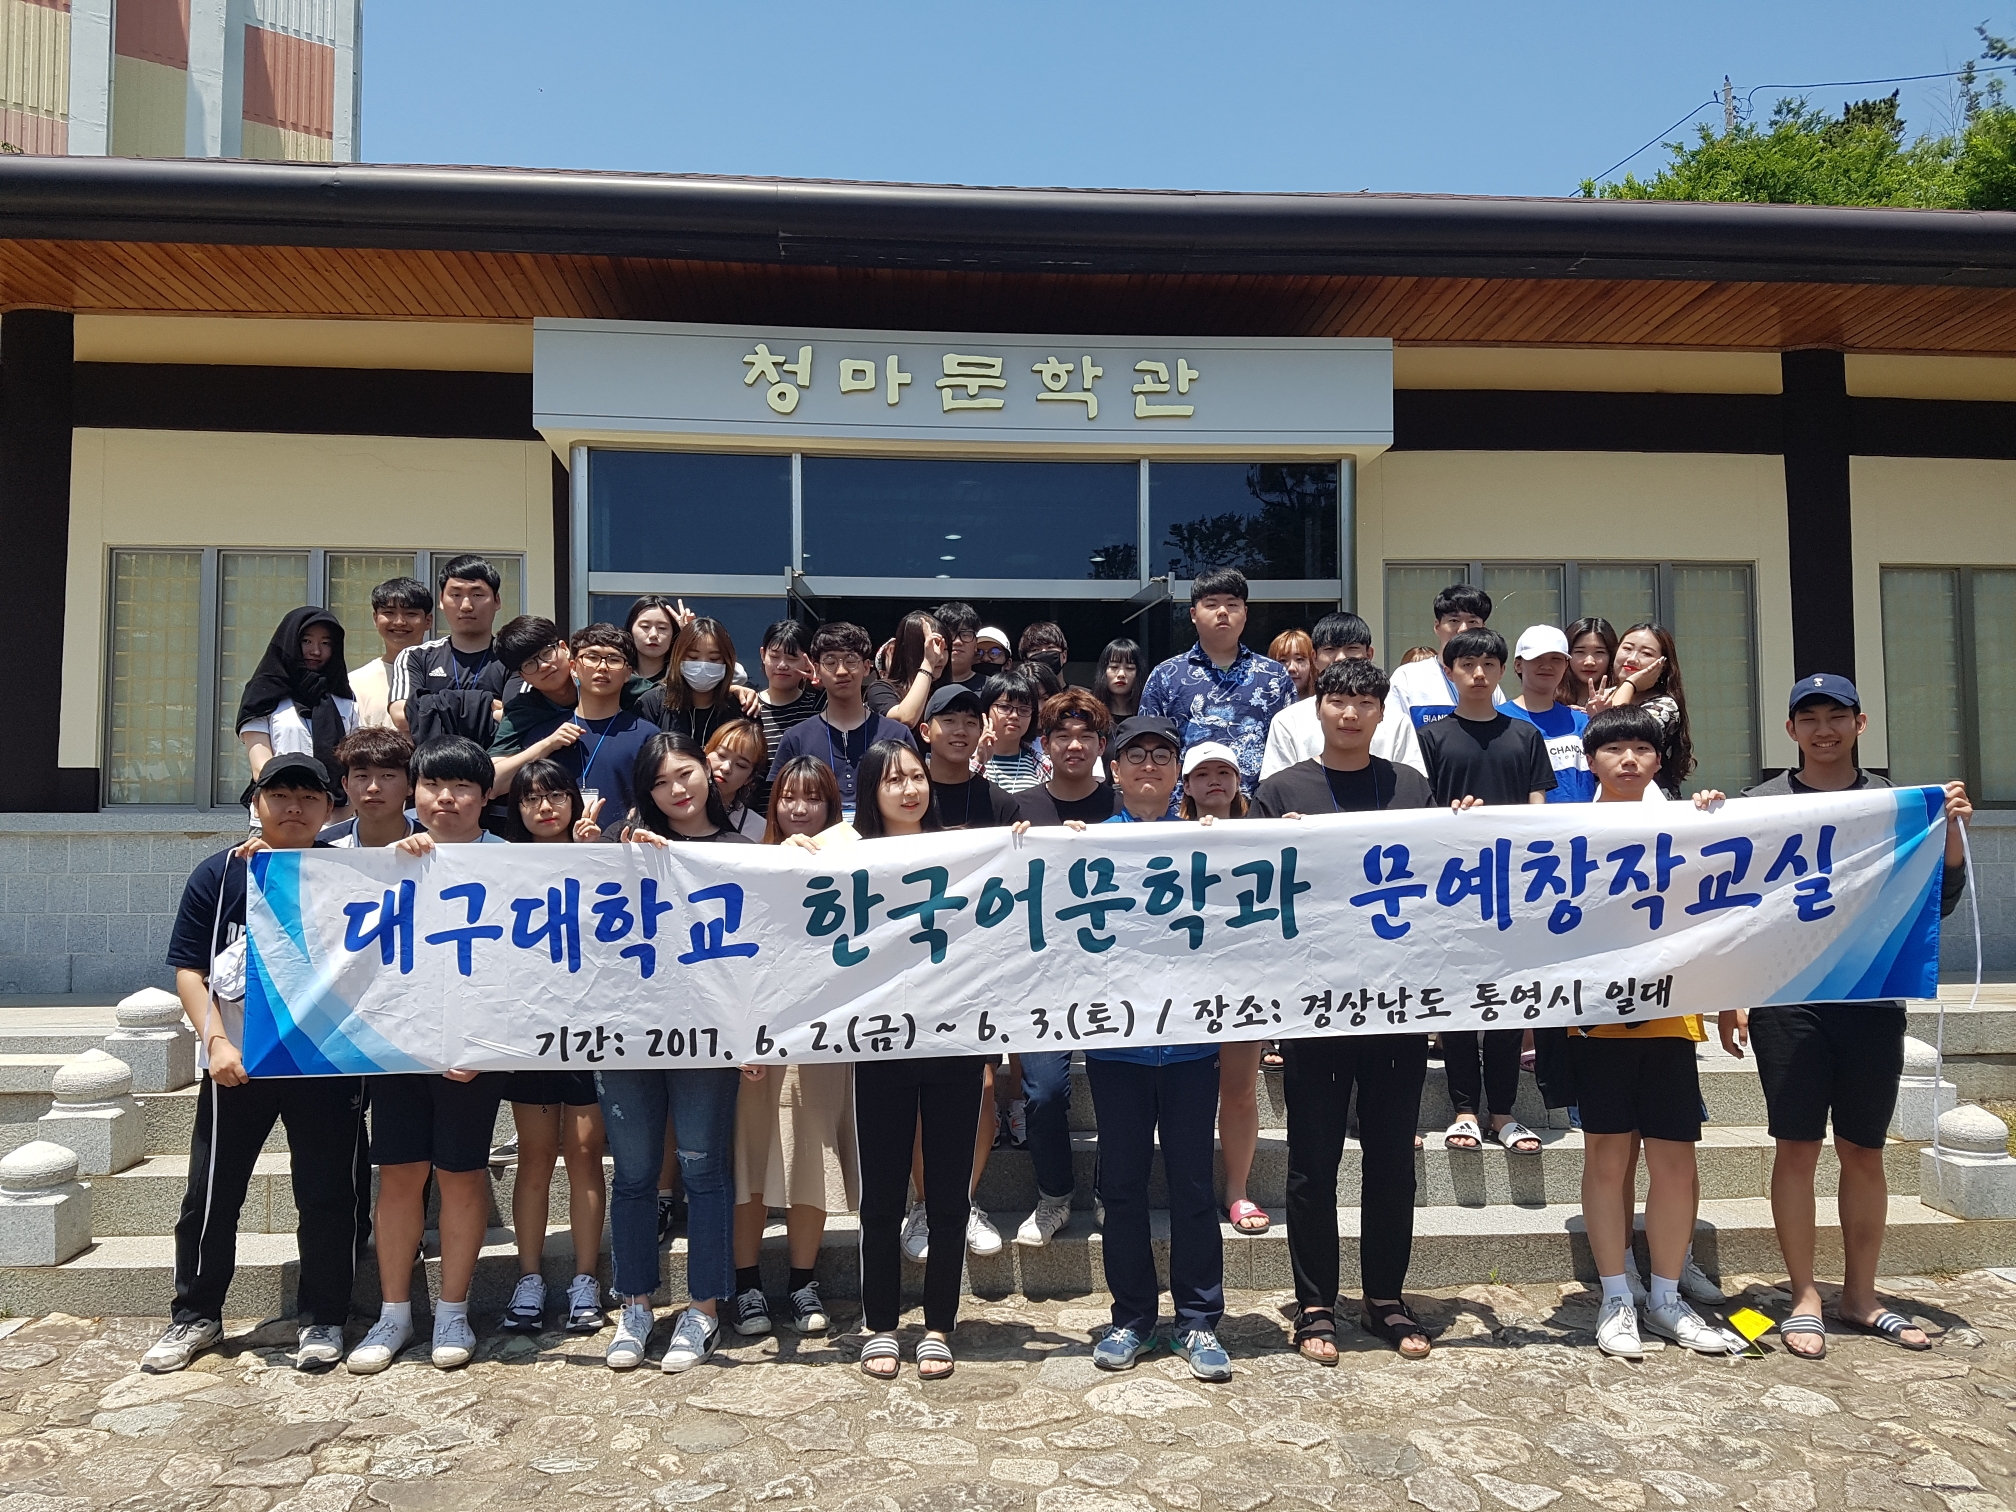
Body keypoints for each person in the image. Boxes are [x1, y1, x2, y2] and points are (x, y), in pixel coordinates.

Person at [1724, 674, 1972, 1358]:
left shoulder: (1897, 807)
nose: (1823, 729)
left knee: (1864, 1149)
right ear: (1790, 731)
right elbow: (1733, 908)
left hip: (1871, 998)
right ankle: (1804, 1295)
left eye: (1837, 716)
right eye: (1809, 718)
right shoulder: (1760, 807)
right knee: (1796, 1147)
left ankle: (1861, 1294)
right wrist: (1729, 993)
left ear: (1860, 724)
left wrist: (1950, 834)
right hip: (1788, 1001)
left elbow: (1938, 902)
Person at [139, 754, 371, 1376]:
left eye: (309, 797)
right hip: (237, 1061)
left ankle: (325, 1315)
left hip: (324, 1062)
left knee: (329, 1192)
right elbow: (190, 968)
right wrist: (214, 1040)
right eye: (280, 795)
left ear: (330, 808)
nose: (294, 807)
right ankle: (196, 1314)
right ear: (255, 803)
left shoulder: (351, 874)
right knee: (212, 1192)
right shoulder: (218, 876)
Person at [1252, 658, 1437, 1362]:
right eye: (1338, 700)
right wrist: (1280, 846)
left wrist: (1467, 825)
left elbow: (1442, 877)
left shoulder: (1411, 788)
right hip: (1316, 1004)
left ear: (1384, 713)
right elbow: (1255, 892)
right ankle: (1315, 1304)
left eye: (1365, 701)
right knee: (1312, 1162)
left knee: (1392, 1159)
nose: (1351, 713)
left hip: (1396, 1002)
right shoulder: (1280, 791)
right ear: (1318, 708)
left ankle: (1385, 1297)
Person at [811, 740, 981, 1381]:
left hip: (954, 1041)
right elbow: (778, 875)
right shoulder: (844, 849)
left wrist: (1045, 843)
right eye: (893, 781)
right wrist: (795, 848)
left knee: (948, 1193)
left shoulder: (963, 849)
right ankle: (880, 1324)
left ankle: (939, 1325)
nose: (910, 790)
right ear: (871, 791)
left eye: (916, 776)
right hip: (880, 1045)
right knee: (881, 1195)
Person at [346, 736, 512, 1375]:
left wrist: (483, 1043)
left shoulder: (513, 863)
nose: (447, 798)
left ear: (485, 796)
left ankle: (453, 1311)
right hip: (398, 1048)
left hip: (475, 1053)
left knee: (462, 1174)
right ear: (414, 794)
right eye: (434, 786)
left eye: (463, 786)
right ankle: (394, 1314)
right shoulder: (388, 859)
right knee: (399, 1174)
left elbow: (529, 973)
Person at [1572, 706, 1733, 1358]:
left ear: (1660, 760)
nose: (1629, 759)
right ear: (1591, 762)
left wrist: (1715, 819)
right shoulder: (1565, 832)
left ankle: (1666, 1296)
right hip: (1596, 1024)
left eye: (1642, 748)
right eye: (1615, 749)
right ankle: (1616, 1294)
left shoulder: (1687, 825)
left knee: (1674, 1160)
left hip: (1671, 1018)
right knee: (1606, 1159)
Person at [597, 732, 756, 1373]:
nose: (676, 790)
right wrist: (604, 852)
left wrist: (754, 1034)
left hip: (708, 1040)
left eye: (684, 773)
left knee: (704, 1170)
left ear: (708, 773)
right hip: (627, 1036)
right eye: (659, 783)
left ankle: (704, 1309)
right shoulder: (624, 847)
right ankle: (634, 1305)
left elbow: (762, 954)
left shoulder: (742, 852)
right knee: (635, 1176)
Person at [1084, 715, 1230, 1382]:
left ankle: (1198, 1321)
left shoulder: (1209, 844)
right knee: (1122, 1188)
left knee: (1194, 1185)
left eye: (1162, 755)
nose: (1149, 765)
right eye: (1135, 754)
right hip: (1116, 1049)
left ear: (1179, 774)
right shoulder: (1083, 845)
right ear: (1114, 771)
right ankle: (1133, 1317)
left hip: (1192, 1047)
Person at [1419, 628, 1553, 1159]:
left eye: (1488, 664)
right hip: (1450, 890)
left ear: (1503, 670)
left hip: (1514, 887)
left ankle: (1503, 1112)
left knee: (1508, 1002)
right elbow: (1420, 810)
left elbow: (1539, 806)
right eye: (1467, 664)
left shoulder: (1524, 735)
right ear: (1449, 671)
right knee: (1458, 1002)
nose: (1478, 673)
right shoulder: (1430, 737)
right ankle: (1464, 1110)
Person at [495, 759, 609, 1337]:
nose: (545, 807)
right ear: (516, 809)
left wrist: (595, 855)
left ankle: (586, 1279)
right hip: (530, 1031)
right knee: (536, 1156)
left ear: (574, 800)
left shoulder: (602, 857)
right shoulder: (500, 864)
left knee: (586, 1154)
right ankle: (530, 1277)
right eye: (531, 798)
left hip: (592, 1030)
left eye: (557, 795)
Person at [1001, 688, 1116, 1251]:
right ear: (1044, 744)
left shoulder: (1121, 806)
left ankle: (1110, 1191)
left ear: (1101, 744)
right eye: (1063, 736)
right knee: (1044, 1092)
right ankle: (1054, 1195)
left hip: (1115, 973)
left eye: (1086, 736)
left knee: (1119, 1089)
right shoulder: (1018, 809)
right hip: (1041, 975)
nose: (1075, 746)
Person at [1171, 739, 1269, 1236]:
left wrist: (1302, 835)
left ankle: (1237, 1189)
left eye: (1224, 772)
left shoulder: (1265, 835)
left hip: (1244, 978)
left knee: (1239, 1089)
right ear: (1186, 786)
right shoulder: (1159, 837)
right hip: (1177, 982)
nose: (1215, 781)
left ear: (1238, 781)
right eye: (1203, 773)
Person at [1138, 568, 1296, 793]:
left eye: (1232, 604)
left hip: (1260, 807)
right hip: (1183, 807)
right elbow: (1148, 748)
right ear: (1193, 614)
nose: (1222, 612)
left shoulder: (1274, 675)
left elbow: (1290, 747)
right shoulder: (1166, 675)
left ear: (1245, 612)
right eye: (1212, 604)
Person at [495, 624, 657, 831]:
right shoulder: (540, 731)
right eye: (592, 658)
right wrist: (547, 745)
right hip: (558, 846)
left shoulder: (648, 734)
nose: (602, 667)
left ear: (628, 674)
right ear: (574, 667)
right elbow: (496, 784)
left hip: (622, 844)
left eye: (614, 660)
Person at [773, 622, 916, 820]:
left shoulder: (896, 734)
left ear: (866, 667)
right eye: (830, 662)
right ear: (817, 669)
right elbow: (779, 803)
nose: (841, 671)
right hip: (818, 839)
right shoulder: (796, 738)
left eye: (851, 660)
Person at [1374, 582, 1501, 775]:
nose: (1463, 629)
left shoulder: (1489, 683)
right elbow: (1392, 738)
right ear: (1437, 626)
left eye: (1473, 622)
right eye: (1454, 620)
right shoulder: (1407, 677)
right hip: (1422, 781)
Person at [236, 606, 359, 796]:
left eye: (325, 643)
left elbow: (354, 764)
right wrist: (303, 799)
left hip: (336, 809)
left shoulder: (344, 699)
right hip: (278, 804)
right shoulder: (263, 695)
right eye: (306, 641)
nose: (316, 651)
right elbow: (261, 769)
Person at [388, 554, 509, 744]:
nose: (466, 605)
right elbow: (401, 716)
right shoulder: (416, 656)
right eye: (456, 595)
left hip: (497, 762)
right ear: (441, 601)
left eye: (477, 595)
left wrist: (429, 706)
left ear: (497, 601)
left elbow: (516, 717)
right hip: (432, 762)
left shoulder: (512, 658)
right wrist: (484, 704)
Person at [1259, 612, 1376, 780]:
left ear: (1369, 655)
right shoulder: (1287, 721)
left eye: (1351, 648)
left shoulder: (1397, 721)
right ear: (1314, 658)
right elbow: (1275, 787)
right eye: (1330, 650)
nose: (1340, 658)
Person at [1503, 626, 1595, 803]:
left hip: (1581, 820)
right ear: (1518, 665)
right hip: (1522, 820)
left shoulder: (1582, 721)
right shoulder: (1498, 719)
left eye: (1556, 659)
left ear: (1566, 665)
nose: (1547, 666)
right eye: (1537, 658)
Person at [1601, 623, 1694, 795]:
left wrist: (1630, 684)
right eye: (1627, 648)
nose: (1632, 659)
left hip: (1650, 798)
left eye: (1646, 653)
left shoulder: (1665, 706)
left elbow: (1617, 731)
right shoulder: (1602, 695)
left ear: (1663, 665)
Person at [748, 619, 826, 818]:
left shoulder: (820, 707)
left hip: (809, 818)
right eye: (774, 656)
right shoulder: (748, 707)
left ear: (808, 662)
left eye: (792, 658)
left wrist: (826, 685)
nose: (782, 665)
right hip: (757, 822)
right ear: (762, 654)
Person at [648, 616, 757, 748]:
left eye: (714, 658)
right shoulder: (653, 703)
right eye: (693, 657)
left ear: (727, 661)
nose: (703, 666)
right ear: (678, 657)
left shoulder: (742, 708)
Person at [921, 685, 1016, 829]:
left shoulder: (999, 802)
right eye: (949, 720)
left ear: (980, 733)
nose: (961, 731)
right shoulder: (909, 798)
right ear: (925, 732)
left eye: (970, 723)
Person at [347, 576, 433, 730]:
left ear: (428, 621)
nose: (399, 622)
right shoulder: (355, 682)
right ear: (375, 618)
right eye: (389, 612)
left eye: (410, 614)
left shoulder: (445, 673)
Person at [320, 726, 418, 847]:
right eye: (362, 776)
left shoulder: (434, 844)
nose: (373, 788)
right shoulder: (323, 848)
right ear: (345, 784)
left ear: (410, 784)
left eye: (387, 776)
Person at [974, 670, 1043, 793]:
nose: (1014, 716)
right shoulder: (966, 760)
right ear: (986, 710)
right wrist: (979, 762)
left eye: (1024, 709)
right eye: (1005, 707)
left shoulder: (1044, 765)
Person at [877, 609, 949, 725]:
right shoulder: (882, 689)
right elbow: (905, 719)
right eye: (930, 648)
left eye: (944, 649)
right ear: (908, 651)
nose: (939, 656)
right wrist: (928, 664)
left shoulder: (949, 692)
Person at [707, 718, 771, 838]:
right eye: (721, 755)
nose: (726, 768)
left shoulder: (758, 829)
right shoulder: (676, 808)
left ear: (750, 778)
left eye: (741, 765)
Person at [625, 594, 681, 685]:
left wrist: (688, 634)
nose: (653, 634)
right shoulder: (618, 677)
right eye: (645, 626)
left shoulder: (681, 680)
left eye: (662, 628)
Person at [1565, 615, 1619, 709]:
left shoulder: (1621, 698)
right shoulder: (1549, 698)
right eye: (1580, 652)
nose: (1589, 662)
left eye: (1599, 652)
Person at [934, 601, 988, 694]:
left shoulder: (992, 689)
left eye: (965, 635)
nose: (957, 642)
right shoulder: (920, 686)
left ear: (976, 644)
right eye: (950, 635)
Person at [1093, 637, 1142, 719]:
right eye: (1114, 667)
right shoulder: (1090, 712)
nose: (1121, 674)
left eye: (1129, 668)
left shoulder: (1145, 713)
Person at [1017, 620, 1070, 689]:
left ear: (1064, 656)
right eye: (1036, 650)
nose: (1044, 652)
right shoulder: (1019, 696)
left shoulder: (1081, 695)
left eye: (1050, 647)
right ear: (1026, 661)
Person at [1269, 628, 1316, 700]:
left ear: (1312, 663)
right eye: (1282, 660)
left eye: (1299, 659)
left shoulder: (1325, 703)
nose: (1291, 668)